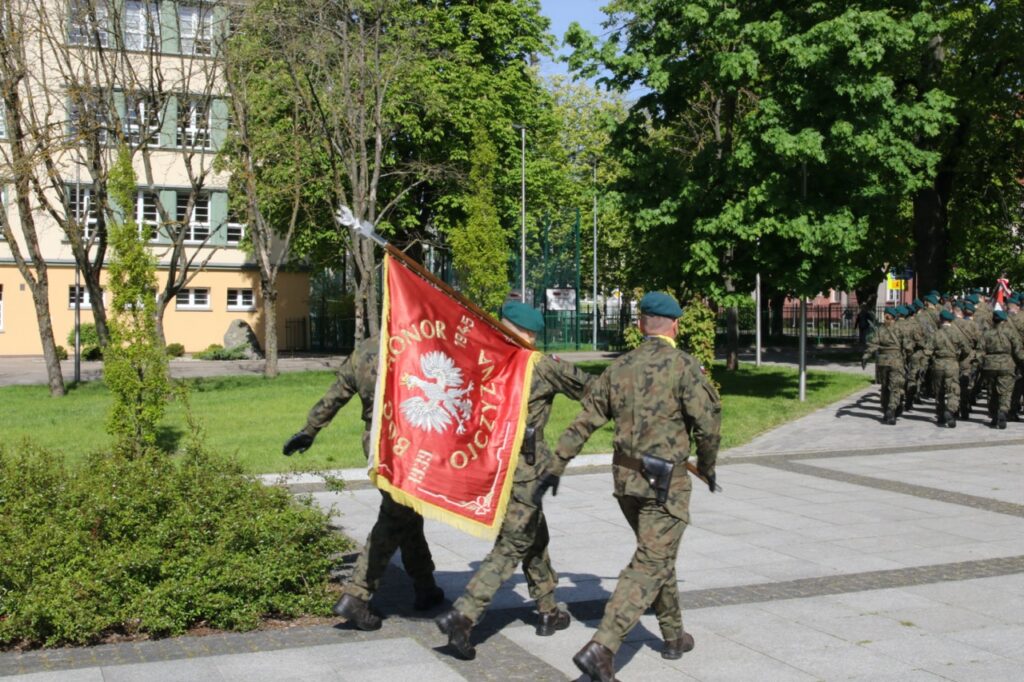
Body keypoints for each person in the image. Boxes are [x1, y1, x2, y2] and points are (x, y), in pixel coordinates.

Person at [541, 292, 721, 682]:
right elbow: (708, 425)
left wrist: (556, 465)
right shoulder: (684, 366)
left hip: (626, 482)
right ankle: (602, 648)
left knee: (656, 554)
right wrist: (707, 468)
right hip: (665, 484)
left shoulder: (618, 368)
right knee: (650, 562)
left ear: (640, 325)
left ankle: (673, 636)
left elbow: (585, 420)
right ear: (675, 325)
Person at [435, 300, 594, 660]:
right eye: (532, 334)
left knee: (535, 534)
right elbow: (592, 389)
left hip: (485, 463)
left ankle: (548, 609)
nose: (534, 339)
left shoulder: (477, 356)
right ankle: (463, 616)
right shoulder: (536, 364)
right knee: (512, 544)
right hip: (523, 471)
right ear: (528, 333)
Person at [282, 335, 443, 631]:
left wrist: (309, 429)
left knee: (407, 514)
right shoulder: (422, 345)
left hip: (376, 443)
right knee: (395, 517)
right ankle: (357, 595)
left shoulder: (365, 349)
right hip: (408, 443)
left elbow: (335, 395)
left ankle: (425, 586)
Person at [861, 307, 909, 424]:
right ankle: (891, 411)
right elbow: (908, 346)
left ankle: (885, 409)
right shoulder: (900, 328)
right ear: (894, 316)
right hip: (896, 360)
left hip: (882, 362)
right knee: (895, 387)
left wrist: (866, 356)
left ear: (886, 315)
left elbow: (873, 344)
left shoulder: (880, 330)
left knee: (885, 387)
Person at [978, 310, 1024, 429]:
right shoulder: (1010, 333)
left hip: (990, 365)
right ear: (1004, 320)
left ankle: (993, 415)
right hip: (1006, 364)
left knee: (992, 391)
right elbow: (1018, 351)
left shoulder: (986, 333)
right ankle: (1003, 411)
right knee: (1005, 391)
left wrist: (983, 364)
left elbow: (980, 351)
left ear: (993, 320)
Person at [924, 310, 970, 427]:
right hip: (952, 364)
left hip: (938, 364)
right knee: (953, 390)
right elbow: (967, 350)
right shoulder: (957, 333)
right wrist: (959, 358)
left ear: (940, 319)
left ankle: (940, 415)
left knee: (939, 391)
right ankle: (950, 410)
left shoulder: (936, 334)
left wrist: (933, 358)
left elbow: (927, 351)